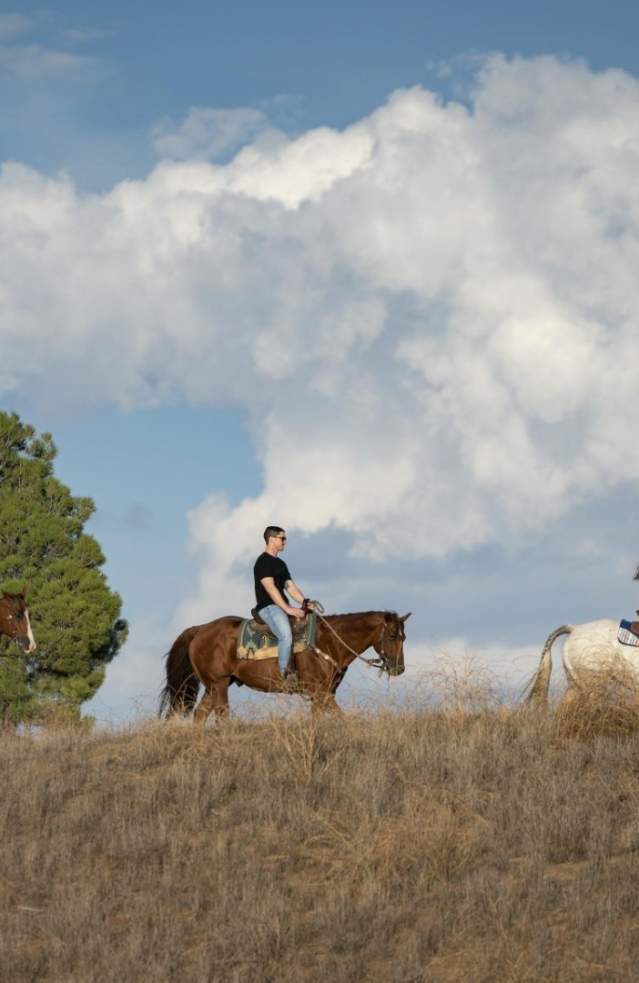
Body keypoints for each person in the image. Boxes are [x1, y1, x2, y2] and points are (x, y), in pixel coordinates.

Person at [253, 526, 307, 684]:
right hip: (269, 607)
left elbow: (290, 587)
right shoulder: (262, 562)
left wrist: (304, 602)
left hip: (280, 606)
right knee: (286, 635)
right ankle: (285, 676)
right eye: (282, 538)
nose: (285, 542)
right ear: (271, 540)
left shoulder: (281, 564)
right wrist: (288, 609)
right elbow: (270, 589)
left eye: (285, 538)